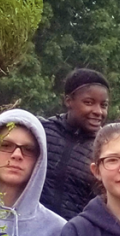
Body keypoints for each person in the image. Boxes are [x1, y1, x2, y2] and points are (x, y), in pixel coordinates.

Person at [41, 68, 110, 221]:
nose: (98, 111)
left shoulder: (105, 148)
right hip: (35, 234)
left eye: (103, 105)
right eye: (89, 102)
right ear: (68, 101)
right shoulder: (42, 132)